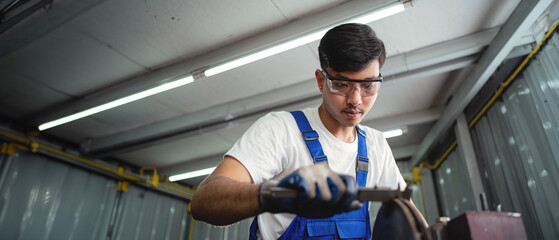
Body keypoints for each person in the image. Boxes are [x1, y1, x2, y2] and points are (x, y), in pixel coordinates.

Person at [191, 23, 426, 239]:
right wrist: (274, 195)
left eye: (368, 86)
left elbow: (411, 219)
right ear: (320, 81)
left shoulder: (376, 145)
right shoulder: (280, 129)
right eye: (342, 84)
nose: (356, 100)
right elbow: (203, 202)